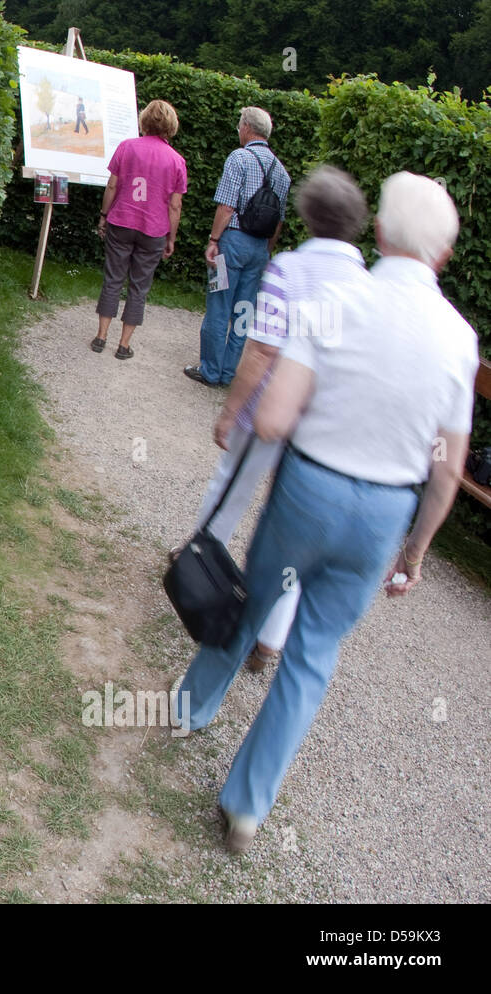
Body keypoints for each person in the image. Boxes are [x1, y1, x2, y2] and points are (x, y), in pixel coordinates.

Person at [171, 172, 479, 853]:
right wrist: (416, 552)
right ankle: (247, 806)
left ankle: (191, 709)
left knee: (254, 603)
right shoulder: (459, 339)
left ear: (379, 234)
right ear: (445, 255)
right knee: (312, 657)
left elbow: (275, 417)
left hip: (310, 489)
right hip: (383, 515)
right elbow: (447, 468)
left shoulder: (339, 302)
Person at [195, 166, 370, 674]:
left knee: (230, 487)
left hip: (268, 410)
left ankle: (199, 572)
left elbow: (262, 350)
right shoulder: (365, 285)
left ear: (307, 215)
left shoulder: (290, 270)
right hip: (321, 425)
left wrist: (231, 410)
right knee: (298, 533)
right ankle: (270, 639)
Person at [184, 106, 290, 387]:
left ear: (246, 128)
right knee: (243, 310)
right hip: (259, 249)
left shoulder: (239, 158)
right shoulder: (281, 172)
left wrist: (214, 240)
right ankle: (230, 373)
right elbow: (279, 220)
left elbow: (227, 207)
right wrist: (267, 251)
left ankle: (210, 371)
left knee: (219, 304)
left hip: (231, 243)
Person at [91, 99, 187, 359]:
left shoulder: (127, 147)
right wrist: (171, 238)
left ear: (144, 121)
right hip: (154, 230)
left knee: (113, 279)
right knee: (139, 287)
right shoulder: (177, 161)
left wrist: (103, 216)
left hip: (121, 221)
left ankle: (101, 337)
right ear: (170, 126)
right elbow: (175, 206)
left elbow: (112, 186)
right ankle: (123, 345)